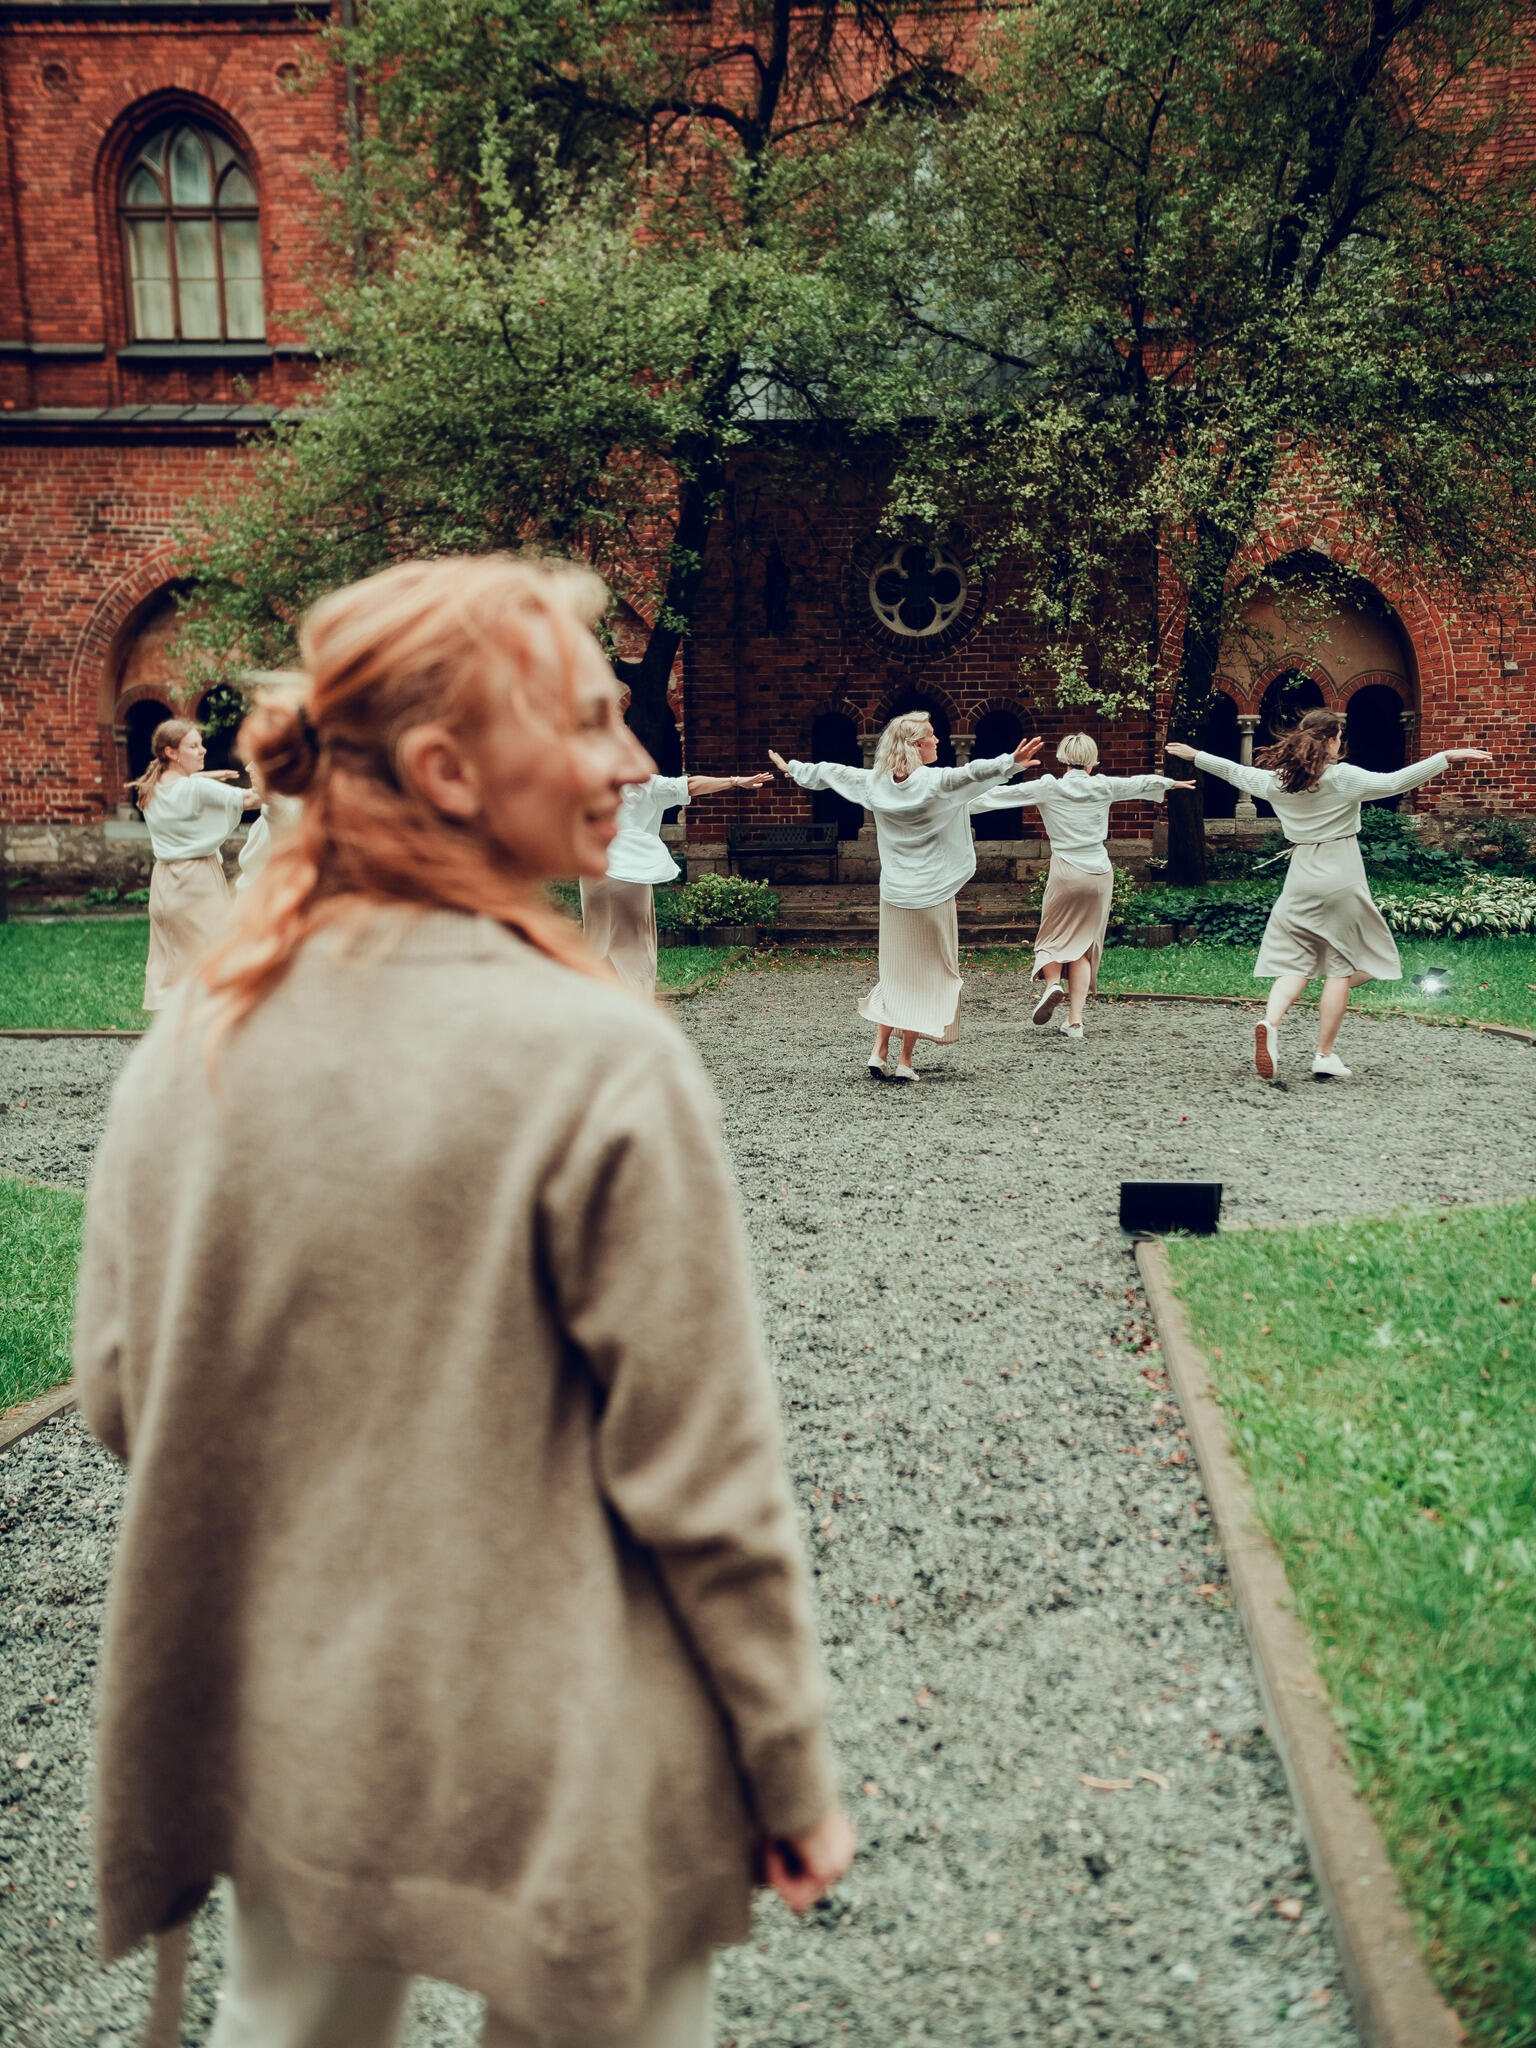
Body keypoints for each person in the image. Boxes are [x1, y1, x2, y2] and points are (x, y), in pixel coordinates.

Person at [73, 554, 853, 2048]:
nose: (635, 761)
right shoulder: (602, 1057)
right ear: (444, 768)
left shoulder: (201, 1037)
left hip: (303, 1704)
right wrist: (789, 1769)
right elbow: (704, 1479)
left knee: (288, 2025)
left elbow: (120, 1392)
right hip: (576, 1724)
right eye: (591, 721)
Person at [1170, 709, 1494, 1080]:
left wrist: (1196, 755)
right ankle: (1324, 1055)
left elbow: (1234, 772)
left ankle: (1270, 1023)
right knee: (1343, 968)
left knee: (1297, 964)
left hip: (1301, 876)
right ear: (1330, 741)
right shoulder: (1342, 778)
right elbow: (1395, 782)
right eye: (1339, 737)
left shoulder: (1278, 782)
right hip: (1341, 873)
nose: (1341, 743)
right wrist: (1445, 757)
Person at [770, 713, 1041, 1081]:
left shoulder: (875, 783)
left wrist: (793, 768)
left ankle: (878, 1050)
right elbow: (972, 773)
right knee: (926, 978)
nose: (938, 741)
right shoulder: (935, 782)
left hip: (895, 895)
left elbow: (832, 773)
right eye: (932, 736)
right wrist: (1010, 763)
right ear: (916, 745)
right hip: (932, 894)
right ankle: (905, 1061)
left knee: (897, 976)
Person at [971, 734, 1191, 1038]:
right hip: (1099, 873)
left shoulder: (1049, 786)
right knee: (1084, 947)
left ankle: (1053, 985)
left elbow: (999, 797)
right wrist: (1170, 783)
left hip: (1067, 870)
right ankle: (1075, 1022)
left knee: (1051, 938)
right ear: (1092, 760)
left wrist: (951, 802)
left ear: (1063, 758)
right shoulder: (1102, 785)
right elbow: (1137, 784)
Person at [582, 765, 771, 994]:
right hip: (629, 869)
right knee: (635, 946)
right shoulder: (644, 783)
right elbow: (690, 786)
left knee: (597, 939)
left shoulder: (586, 781)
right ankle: (632, 1001)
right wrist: (736, 780)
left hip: (594, 870)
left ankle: (596, 995)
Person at [128, 716, 251, 1010]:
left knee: (172, 962)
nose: (203, 750)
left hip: (165, 884)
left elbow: (181, 784)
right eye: (193, 746)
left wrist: (205, 776)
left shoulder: (151, 786)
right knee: (215, 957)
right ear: (171, 752)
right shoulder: (194, 790)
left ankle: (176, 1027)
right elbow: (248, 799)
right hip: (197, 881)